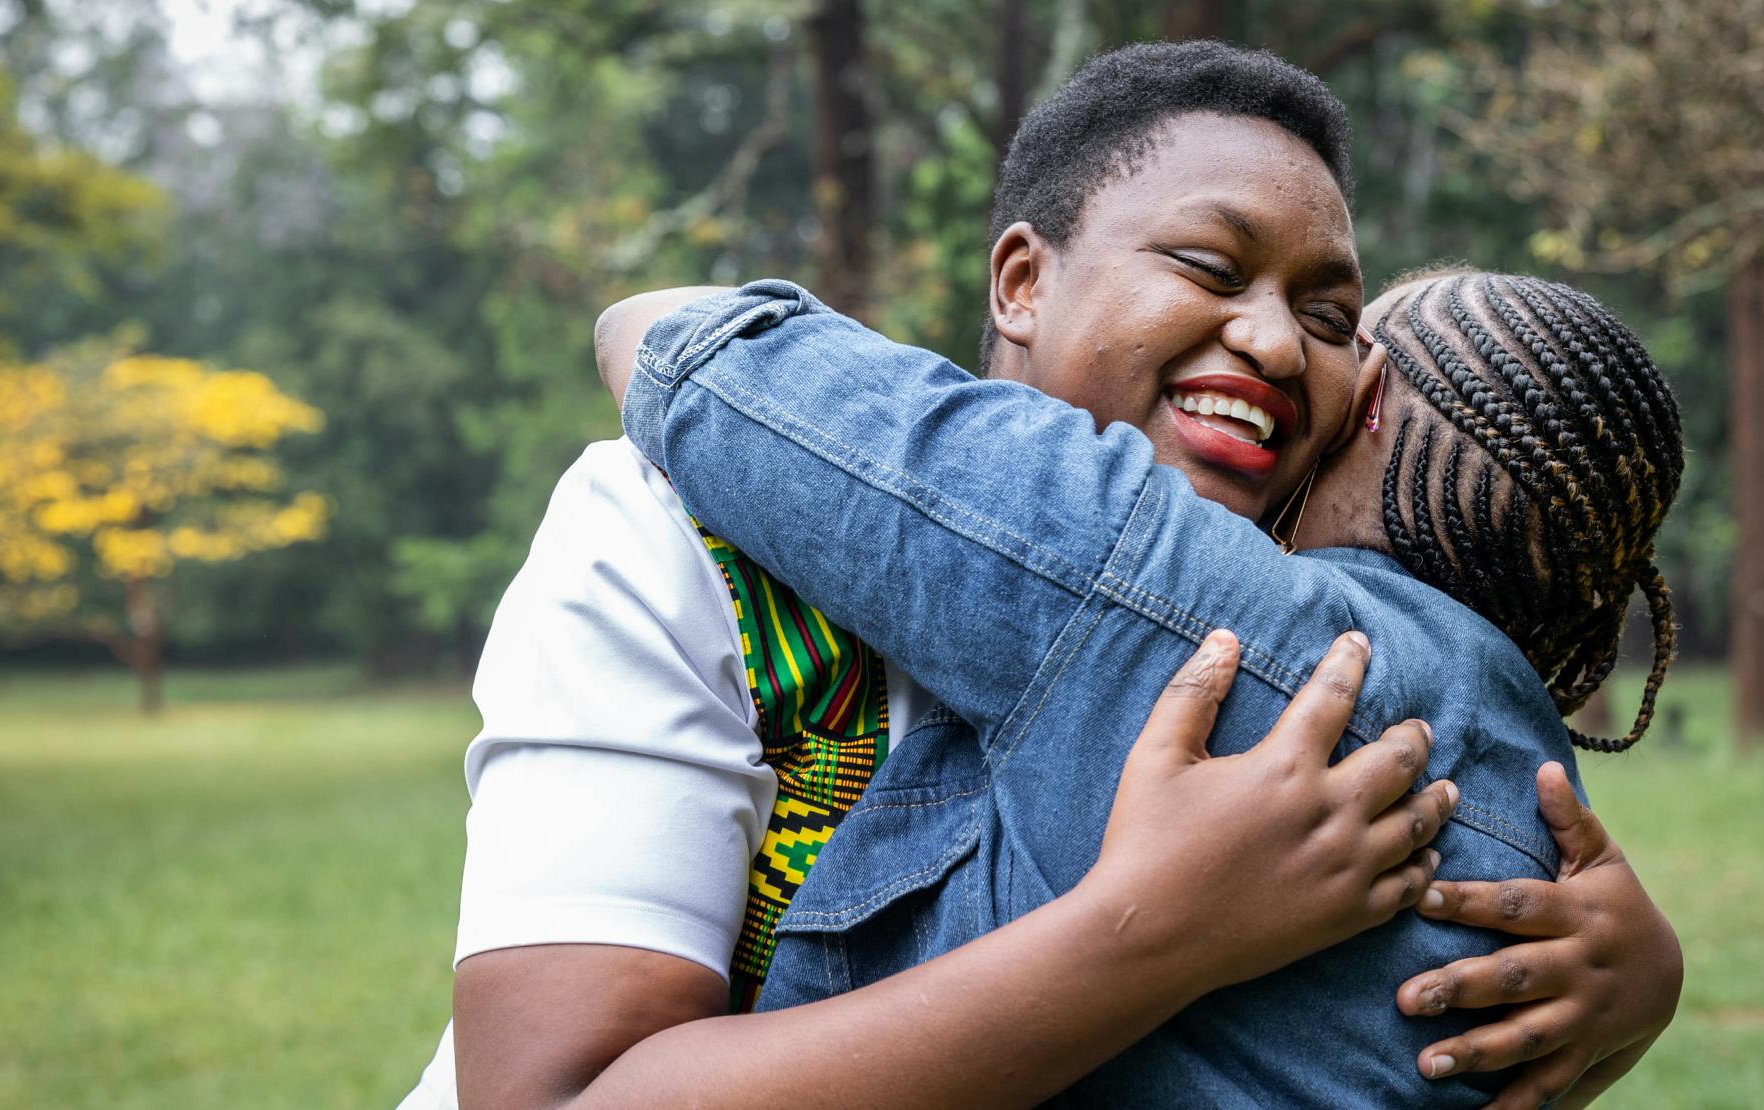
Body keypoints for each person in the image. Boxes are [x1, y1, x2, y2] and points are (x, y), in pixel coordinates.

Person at [409, 41, 1673, 1109]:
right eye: (1210, 268)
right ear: (1022, 279)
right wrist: (1154, 935)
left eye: (1336, 321)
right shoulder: (674, 525)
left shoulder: (1312, 662)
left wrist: (1630, 987)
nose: (1281, 341)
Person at [613, 262, 1685, 1107]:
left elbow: (686, 350)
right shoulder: (1563, 890)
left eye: (1333, 333)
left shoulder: (1185, 591)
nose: (1275, 350)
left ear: (1365, 406)